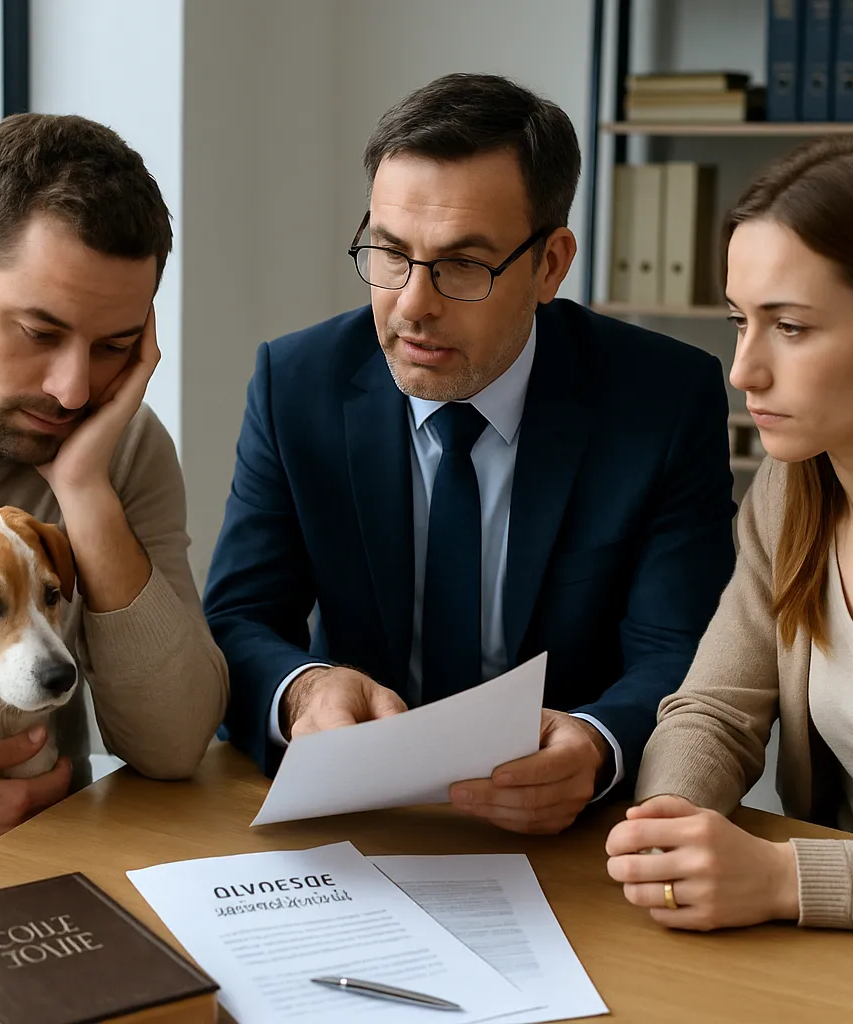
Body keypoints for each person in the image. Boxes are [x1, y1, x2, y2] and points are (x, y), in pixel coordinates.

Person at [205, 73, 735, 835]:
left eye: (462, 266)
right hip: (355, 820)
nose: (414, 304)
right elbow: (237, 618)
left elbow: (682, 651)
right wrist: (303, 690)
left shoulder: (662, 399)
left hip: (569, 836)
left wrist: (597, 742)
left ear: (550, 265)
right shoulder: (297, 385)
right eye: (389, 253)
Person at [606, 133, 853, 942]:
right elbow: (715, 708)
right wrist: (671, 820)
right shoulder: (792, 492)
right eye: (739, 320)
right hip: (849, 955)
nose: (743, 370)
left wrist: (784, 877)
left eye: (790, 327)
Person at [0, 113, 228, 882]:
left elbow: (174, 746)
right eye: (39, 333)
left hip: (49, 893)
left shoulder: (122, 450)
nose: (73, 389)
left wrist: (83, 491)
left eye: (115, 346)